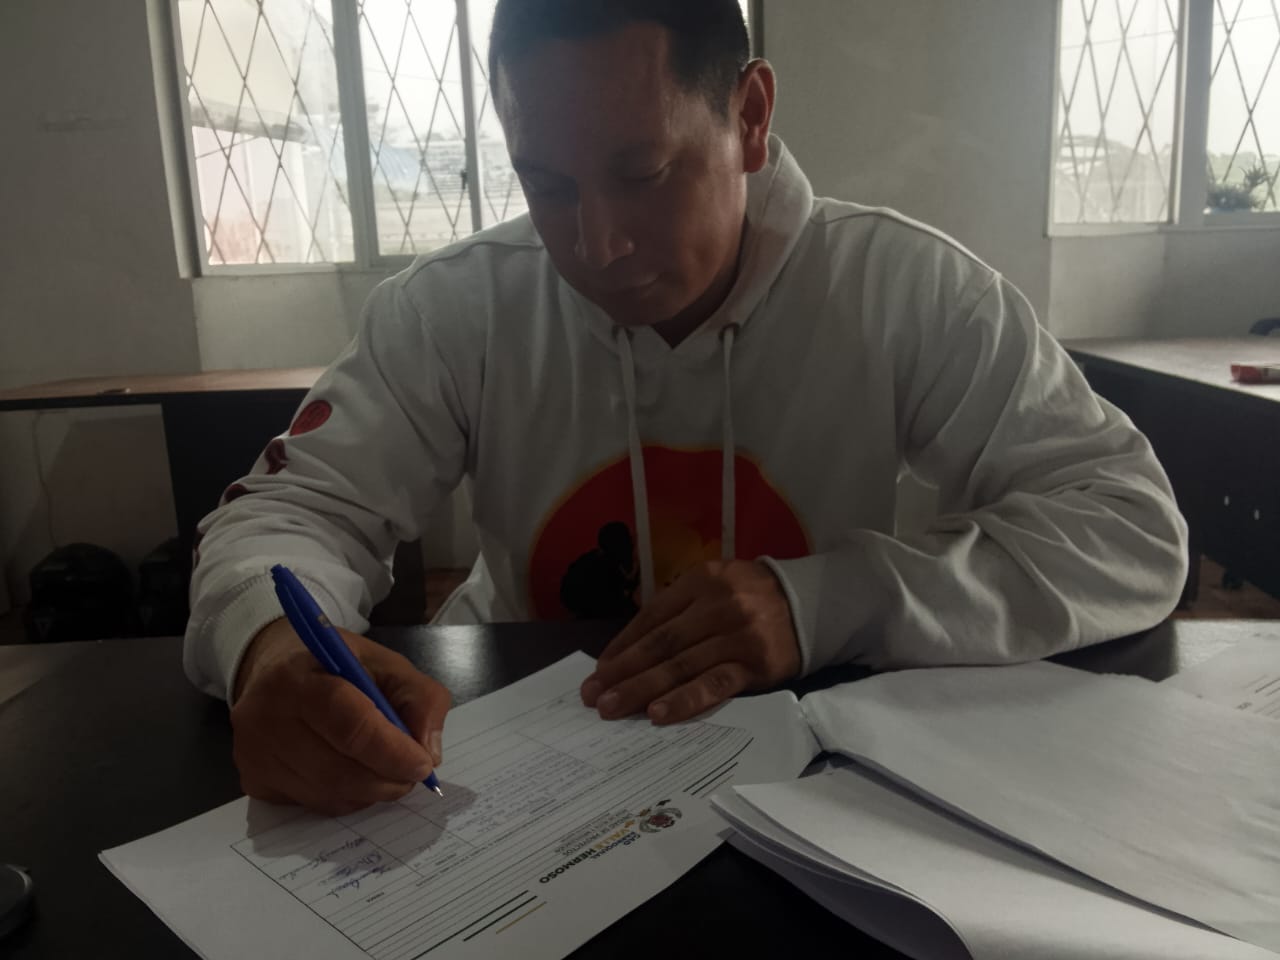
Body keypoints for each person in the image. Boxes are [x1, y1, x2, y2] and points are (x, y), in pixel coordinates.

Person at [185, 0, 1188, 815]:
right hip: (506, 760)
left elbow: (1128, 528)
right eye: (546, 184)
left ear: (749, 116)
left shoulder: (903, 290)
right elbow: (293, 514)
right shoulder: (454, 307)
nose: (596, 245)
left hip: (811, 767)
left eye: (642, 174)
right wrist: (271, 644)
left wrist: (822, 602)